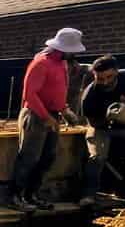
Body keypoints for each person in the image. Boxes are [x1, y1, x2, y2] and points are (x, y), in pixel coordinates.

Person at [11, 27, 82, 212]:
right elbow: (30, 94)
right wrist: (46, 117)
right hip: (35, 115)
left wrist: (65, 111)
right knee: (29, 157)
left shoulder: (62, 65)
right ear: (63, 49)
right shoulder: (41, 63)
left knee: (47, 158)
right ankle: (16, 197)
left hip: (53, 115)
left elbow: (57, 92)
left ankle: (31, 195)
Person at [78, 55, 125, 206]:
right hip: (100, 127)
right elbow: (93, 122)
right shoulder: (89, 95)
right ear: (94, 75)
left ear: (117, 71)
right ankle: (88, 195)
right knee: (97, 156)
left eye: (109, 77)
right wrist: (108, 118)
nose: (105, 82)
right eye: (100, 78)